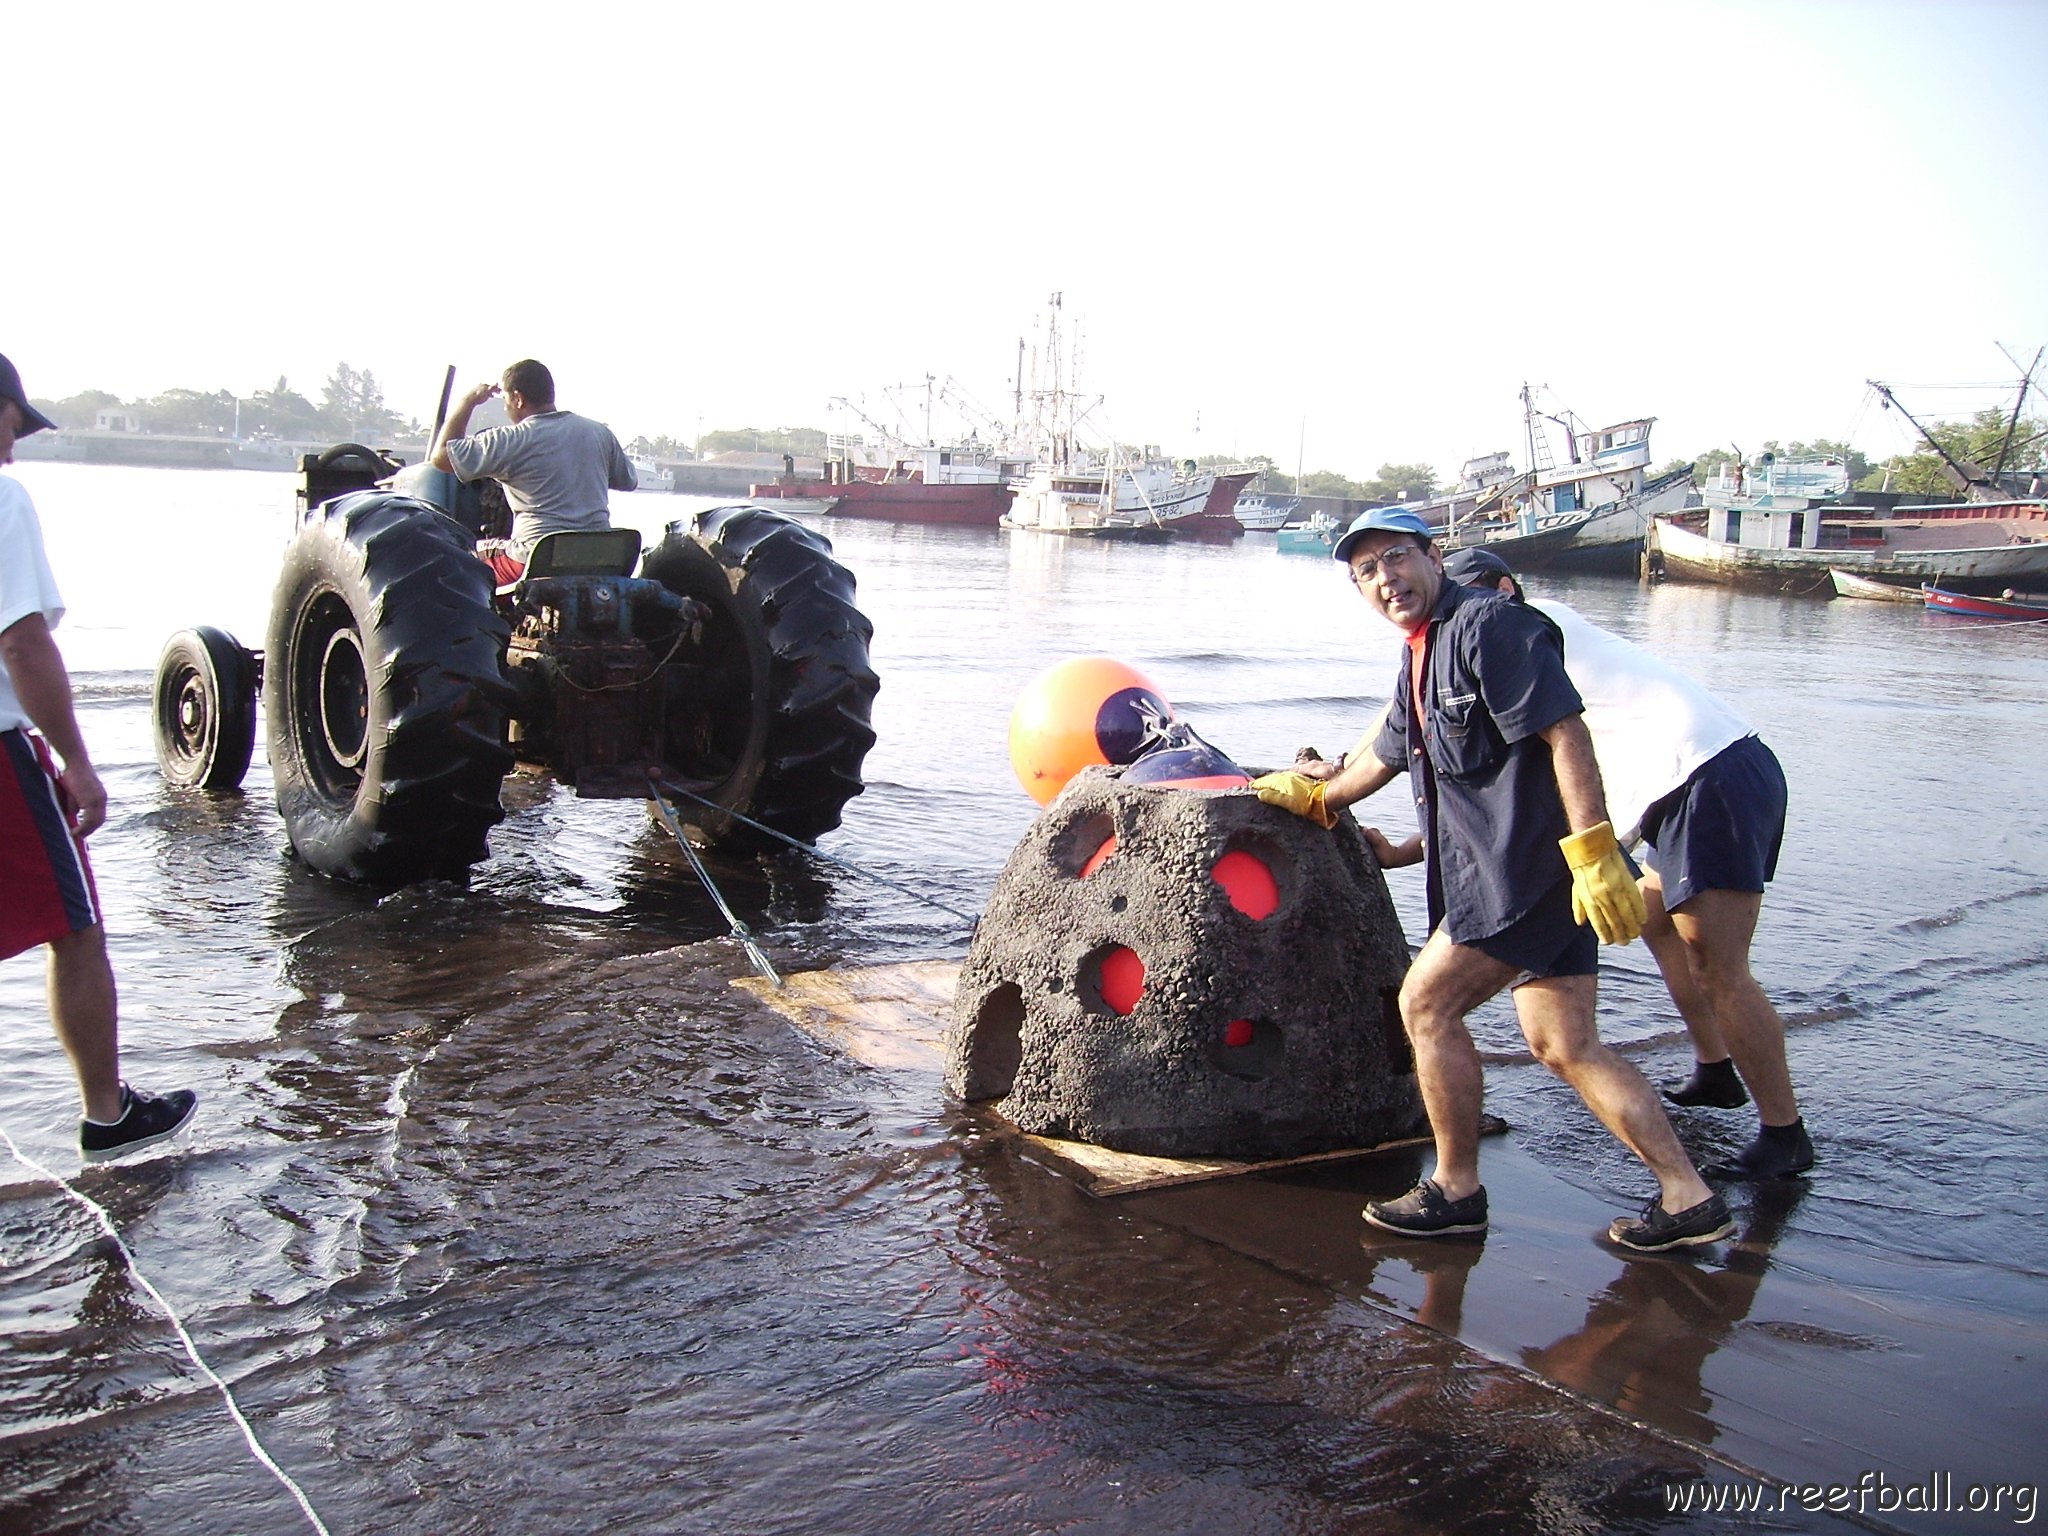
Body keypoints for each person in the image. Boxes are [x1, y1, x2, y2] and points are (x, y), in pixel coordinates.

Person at [1253, 506, 1731, 1253]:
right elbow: (1380, 759)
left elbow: (1564, 732)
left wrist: (1595, 851)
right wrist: (1313, 795)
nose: (1387, 579)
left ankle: (1456, 1188)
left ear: (1432, 557)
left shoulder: (1491, 627)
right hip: (1517, 878)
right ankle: (1689, 1197)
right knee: (1566, 1044)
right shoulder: (1418, 654)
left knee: (1426, 1005)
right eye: (1366, 571)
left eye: (1396, 559)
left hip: (1524, 873)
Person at [1435, 545, 1812, 1180]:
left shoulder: (1529, 623)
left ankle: (1785, 1134)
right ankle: (1715, 1069)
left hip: (1705, 774)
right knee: (1657, 918)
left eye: (1477, 594)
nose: (1467, 613)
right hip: (1689, 781)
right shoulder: (1493, 649)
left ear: (1506, 588)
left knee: (1721, 968)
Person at [0, 352, 198, 1161]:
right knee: (75, 928)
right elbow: (21, 641)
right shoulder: (2, 498)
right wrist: (76, 762)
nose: (13, 450)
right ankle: (108, 1115)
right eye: (11, 426)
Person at [428, 359, 636, 585]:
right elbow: (629, 481)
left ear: (518, 399)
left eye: (506, 401)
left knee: (456, 562)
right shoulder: (599, 433)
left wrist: (467, 402)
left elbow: (440, 458)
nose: (505, 409)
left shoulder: (510, 440)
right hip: (601, 559)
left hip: (535, 560)